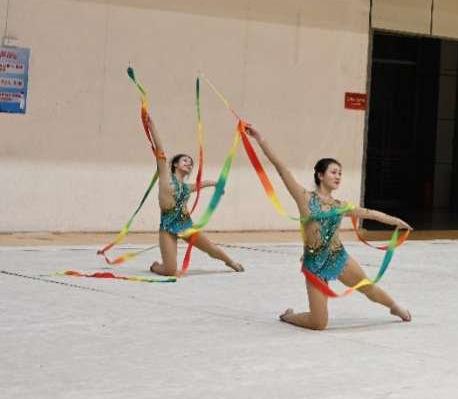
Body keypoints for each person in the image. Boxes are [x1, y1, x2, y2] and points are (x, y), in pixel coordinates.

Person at [244, 125, 412, 330]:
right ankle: (290, 317)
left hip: (337, 257)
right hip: (314, 264)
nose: (338, 176)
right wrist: (260, 139)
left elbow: (370, 213)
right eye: (333, 172)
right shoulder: (304, 198)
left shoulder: (340, 206)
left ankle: (394, 307)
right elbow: (281, 168)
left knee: (366, 286)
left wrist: (396, 221)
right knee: (319, 323)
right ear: (320, 175)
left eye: (340, 173)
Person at [143, 110, 243, 276]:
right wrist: (151, 126)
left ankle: (231, 262)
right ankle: (155, 266)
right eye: (185, 161)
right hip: (168, 229)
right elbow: (159, 150)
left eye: (191, 164)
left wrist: (216, 184)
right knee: (170, 270)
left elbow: (198, 185)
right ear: (175, 164)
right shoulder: (166, 178)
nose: (189, 164)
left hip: (186, 226)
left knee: (210, 248)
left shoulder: (185, 187)